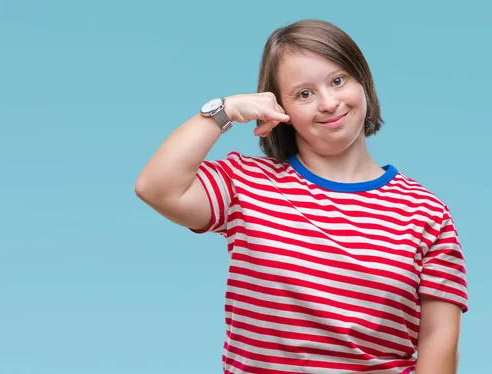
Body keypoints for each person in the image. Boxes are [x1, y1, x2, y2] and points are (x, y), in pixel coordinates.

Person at [134, 19, 468, 374]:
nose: (328, 103)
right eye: (304, 94)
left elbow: (438, 342)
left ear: (363, 82)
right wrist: (226, 110)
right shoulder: (246, 185)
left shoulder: (427, 213)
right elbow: (155, 187)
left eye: (338, 81)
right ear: (282, 110)